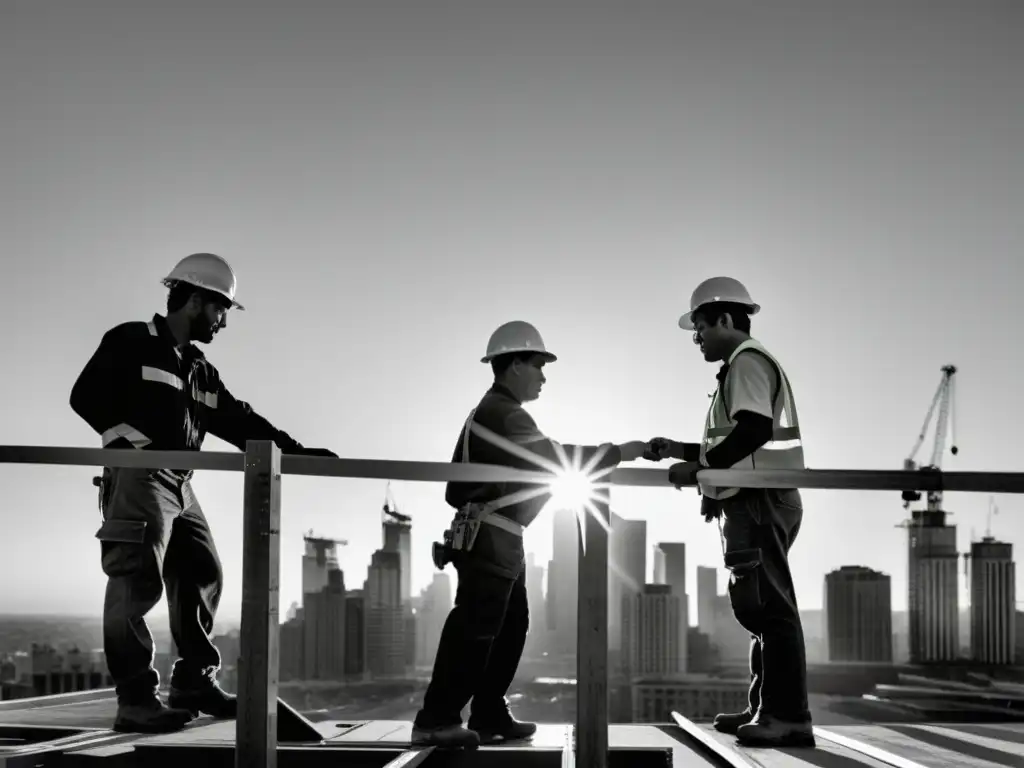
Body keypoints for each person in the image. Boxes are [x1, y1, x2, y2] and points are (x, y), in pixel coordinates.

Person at [69, 253, 337, 734]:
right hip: (140, 476)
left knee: (203, 569)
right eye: (220, 310)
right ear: (193, 300)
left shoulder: (200, 371)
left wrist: (295, 452)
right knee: (137, 582)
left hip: (180, 483)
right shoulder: (131, 340)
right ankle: (135, 700)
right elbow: (85, 396)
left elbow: (239, 419)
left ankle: (193, 682)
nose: (223, 322)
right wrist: (133, 445)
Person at [412, 320, 648, 749]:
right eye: (538, 365)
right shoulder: (503, 413)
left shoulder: (494, 411)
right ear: (515, 364)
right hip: (491, 537)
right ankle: (437, 718)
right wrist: (619, 452)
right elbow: (553, 457)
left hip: (498, 536)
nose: (543, 375)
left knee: (509, 625)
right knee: (477, 627)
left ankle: (487, 711)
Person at [644, 276, 813, 748]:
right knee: (758, 605)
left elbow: (754, 431)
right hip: (753, 499)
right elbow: (731, 441)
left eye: (699, 327)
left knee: (771, 608)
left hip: (759, 501)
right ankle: (765, 706)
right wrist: (681, 454)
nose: (696, 338)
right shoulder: (738, 370)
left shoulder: (747, 363)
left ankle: (787, 716)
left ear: (723, 319)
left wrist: (700, 470)